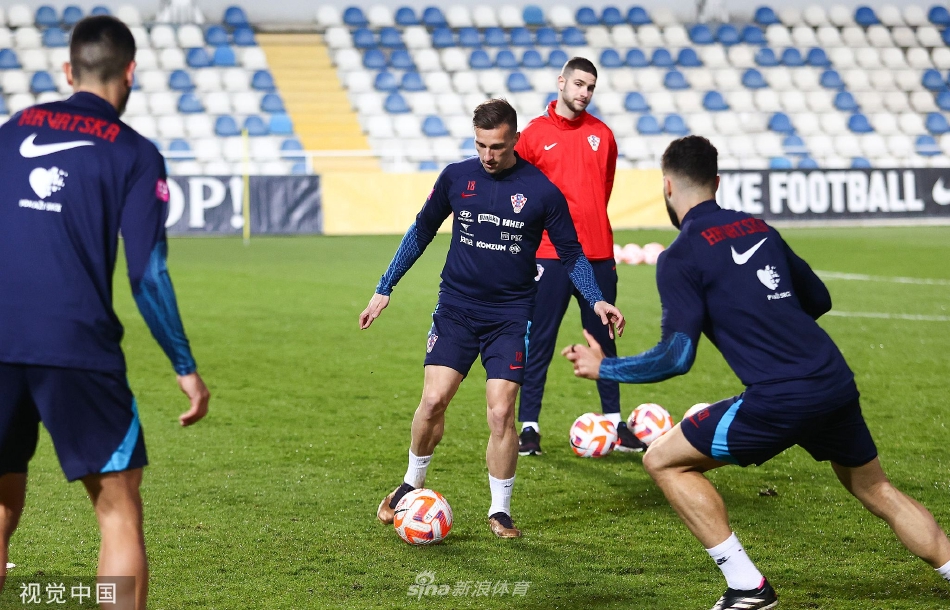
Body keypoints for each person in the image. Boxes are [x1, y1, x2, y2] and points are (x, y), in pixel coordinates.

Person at [564, 135, 950, 609]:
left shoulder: (681, 255)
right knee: (877, 489)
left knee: (662, 459)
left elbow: (677, 356)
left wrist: (606, 367)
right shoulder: (758, 228)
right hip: (831, 380)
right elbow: (819, 299)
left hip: (778, 399)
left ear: (667, 186)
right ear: (717, 182)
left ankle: (747, 586)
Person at [0, 16, 210, 609]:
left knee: (1, 502)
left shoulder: (11, 131)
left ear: (68, 71)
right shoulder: (135, 153)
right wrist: (184, 366)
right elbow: (147, 273)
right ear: (131, 72)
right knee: (118, 511)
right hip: (76, 345)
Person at [360, 99, 625, 538]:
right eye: (481, 145)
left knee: (502, 411)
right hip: (457, 308)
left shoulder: (542, 191)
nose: (488, 155)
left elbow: (572, 254)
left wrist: (596, 299)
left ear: (516, 140)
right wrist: (384, 287)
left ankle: (500, 510)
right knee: (433, 400)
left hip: (510, 314)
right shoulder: (456, 177)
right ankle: (411, 481)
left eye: (498, 146)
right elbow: (421, 231)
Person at [514, 57, 643, 456]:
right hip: (549, 256)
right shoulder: (532, 136)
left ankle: (615, 424)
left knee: (604, 340)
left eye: (590, 87)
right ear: (562, 82)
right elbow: (519, 194)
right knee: (540, 341)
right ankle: (529, 427)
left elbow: (602, 190)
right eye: (579, 84)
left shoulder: (603, 135)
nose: (584, 93)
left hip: (598, 255)